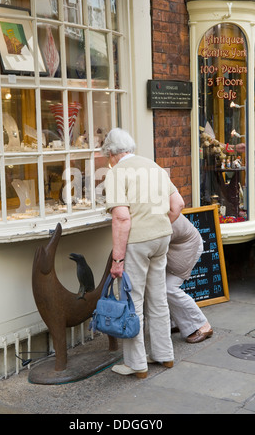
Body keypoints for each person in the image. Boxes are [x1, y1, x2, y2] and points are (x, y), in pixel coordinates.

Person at [102, 128, 184, 378]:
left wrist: (117, 259)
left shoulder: (116, 172)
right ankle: (164, 355)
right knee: (158, 298)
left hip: (137, 242)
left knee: (132, 301)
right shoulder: (154, 166)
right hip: (161, 238)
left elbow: (122, 217)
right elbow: (178, 204)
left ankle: (137, 364)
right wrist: (159, 225)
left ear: (112, 153)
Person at [165, 213, 213, 343]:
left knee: (168, 287)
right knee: (159, 285)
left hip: (186, 248)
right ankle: (174, 323)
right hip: (175, 248)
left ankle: (202, 324)